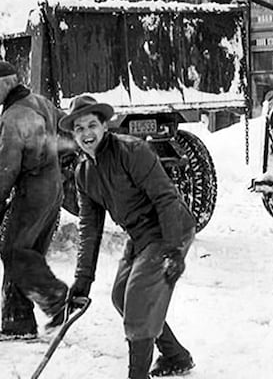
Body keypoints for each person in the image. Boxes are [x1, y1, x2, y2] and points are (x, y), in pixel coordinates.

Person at [62, 95, 197, 379]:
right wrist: (83, 279)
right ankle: (176, 356)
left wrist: (173, 250)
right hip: (140, 235)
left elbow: (165, 198)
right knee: (122, 296)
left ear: (104, 126)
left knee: (137, 300)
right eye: (79, 129)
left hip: (169, 228)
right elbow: (90, 228)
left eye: (91, 125)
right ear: (73, 134)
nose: (87, 134)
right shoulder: (84, 173)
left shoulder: (132, 151)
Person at [0, 59, 70, 342]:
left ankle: (57, 300)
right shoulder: (41, 102)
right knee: (28, 252)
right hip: (53, 185)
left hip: (34, 188)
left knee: (14, 252)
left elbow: (7, 167)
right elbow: (66, 131)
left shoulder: (13, 115)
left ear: (8, 81)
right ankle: (19, 322)